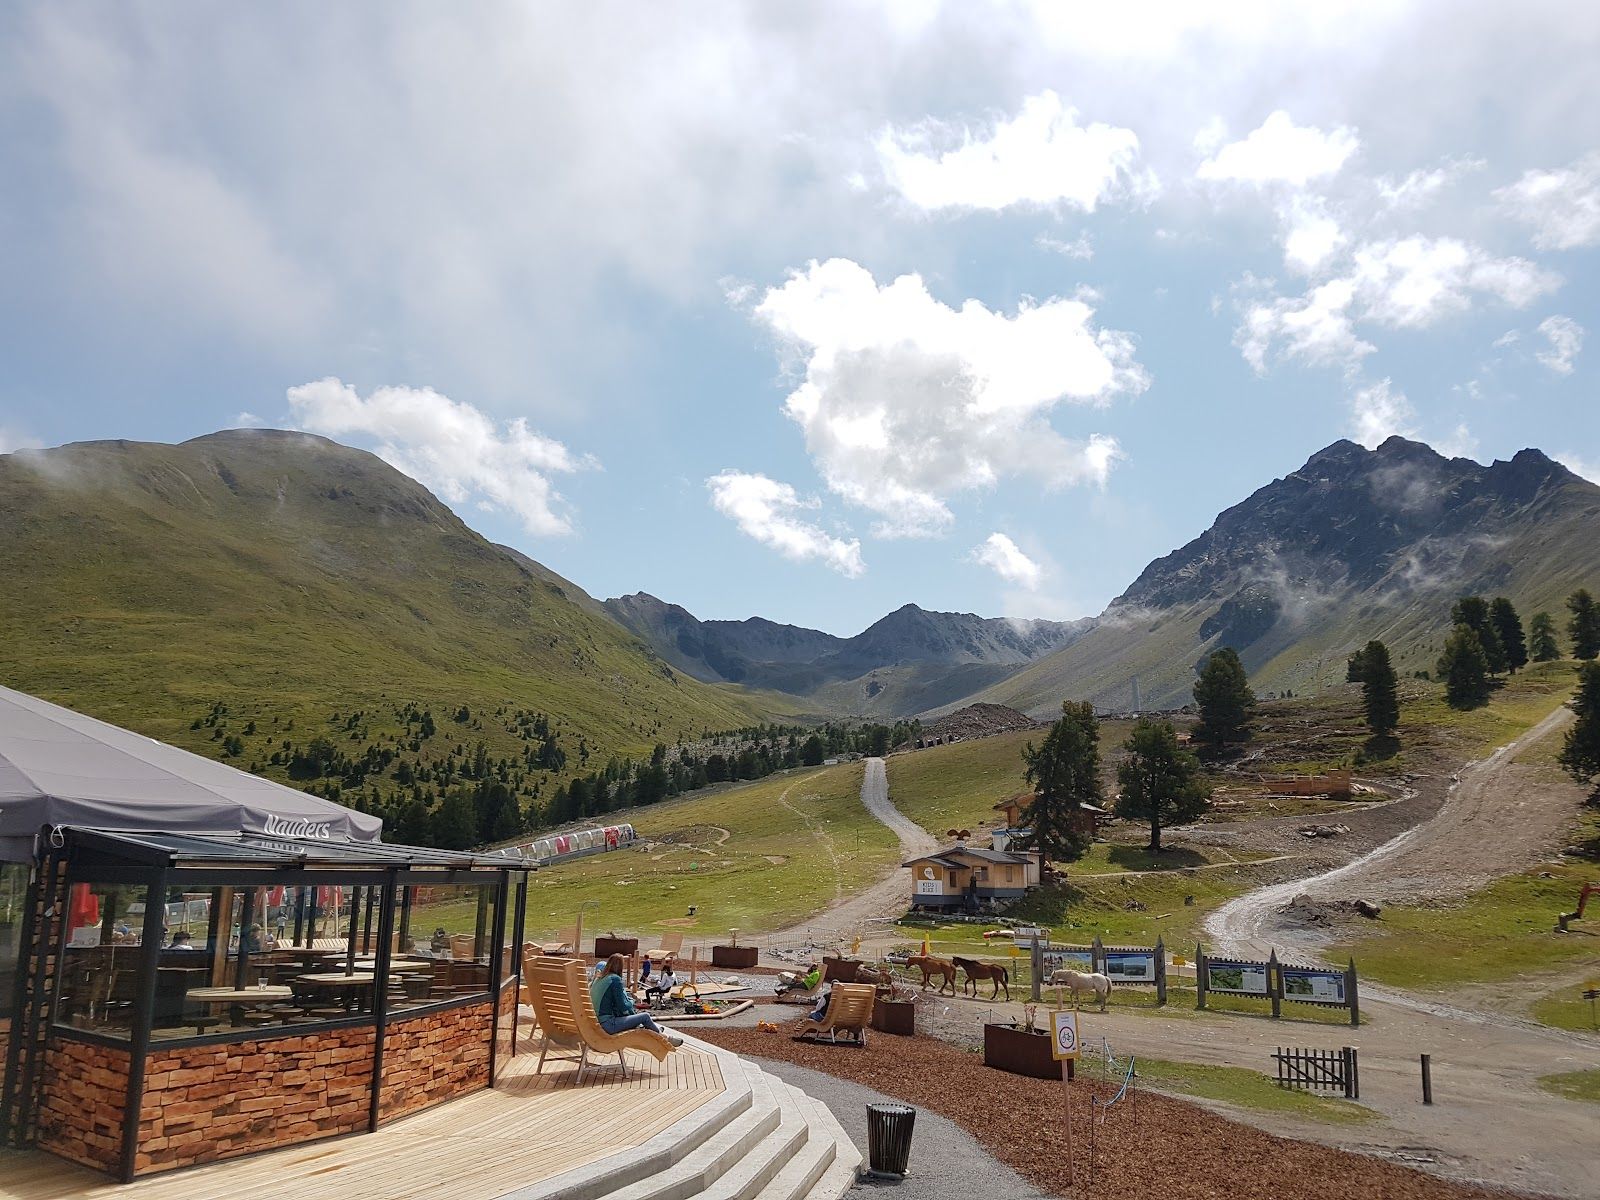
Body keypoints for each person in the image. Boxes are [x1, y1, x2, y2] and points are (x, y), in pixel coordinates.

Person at [590, 954, 681, 1045]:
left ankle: (657, 1031)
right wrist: (632, 1002)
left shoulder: (599, 978)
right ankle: (666, 1039)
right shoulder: (614, 979)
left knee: (639, 1019)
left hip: (597, 1023)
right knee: (645, 1016)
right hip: (608, 1025)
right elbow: (623, 1006)